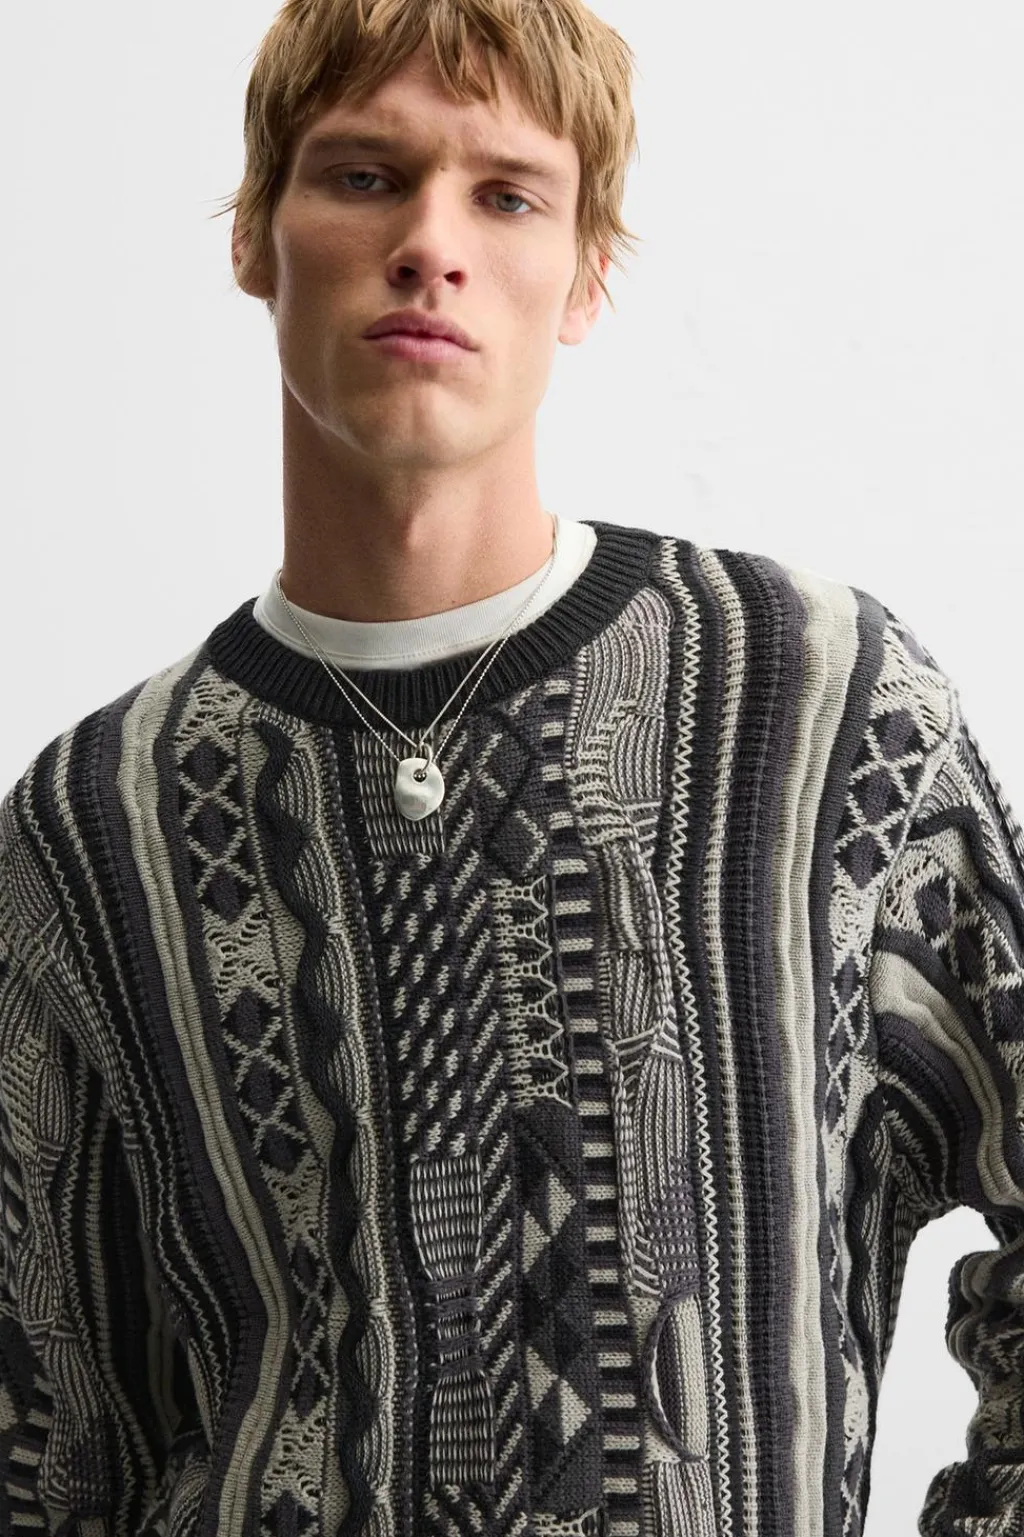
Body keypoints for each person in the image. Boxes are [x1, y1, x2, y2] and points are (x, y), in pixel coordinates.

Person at [1, 2, 1022, 1533]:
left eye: (507, 194)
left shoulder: (816, 709)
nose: (431, 245)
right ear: (254, 235)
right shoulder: (95, 830)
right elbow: (47, 1437)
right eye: (364, 176)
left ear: (587, 273)